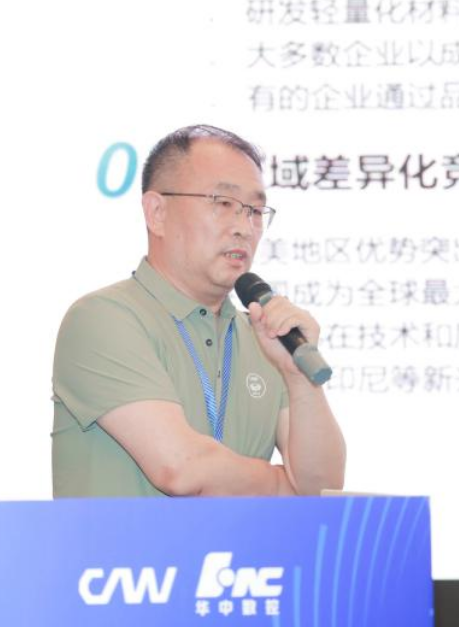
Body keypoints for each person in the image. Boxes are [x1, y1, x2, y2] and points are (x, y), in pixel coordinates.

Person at [51, 124, 345, 497]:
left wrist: (298, 377)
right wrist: (285, 487)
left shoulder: (265, 338)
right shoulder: (103, 319)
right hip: (128, 541)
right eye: (223, 204)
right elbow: (180, 467)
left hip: (245, 541)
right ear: (157, 213)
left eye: (255, 211)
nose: (244, 228)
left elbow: (322, 490)